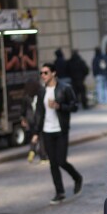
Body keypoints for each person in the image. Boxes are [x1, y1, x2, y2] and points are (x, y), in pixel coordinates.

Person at [33, 63, 83, 204]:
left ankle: (77, 177)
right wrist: (36, 132)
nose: (43, 75)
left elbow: (74, 106)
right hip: (47, 131)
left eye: (46, 72)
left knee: (61, 161)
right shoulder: (41, 91)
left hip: (61, 130)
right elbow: (39, 113)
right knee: (53, 163)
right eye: (41, 73)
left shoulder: (64, 88)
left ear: (53, 73)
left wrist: (59, 106)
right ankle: (59, 192)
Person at [21, 93, 47, 165]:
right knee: (41, 137)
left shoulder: (26, 96)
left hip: (30, 119)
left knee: (34, 135)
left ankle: (32, 150)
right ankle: (43, 157)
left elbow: (23, 109)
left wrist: (23, 118)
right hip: (38, 118)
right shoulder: (40, 95)